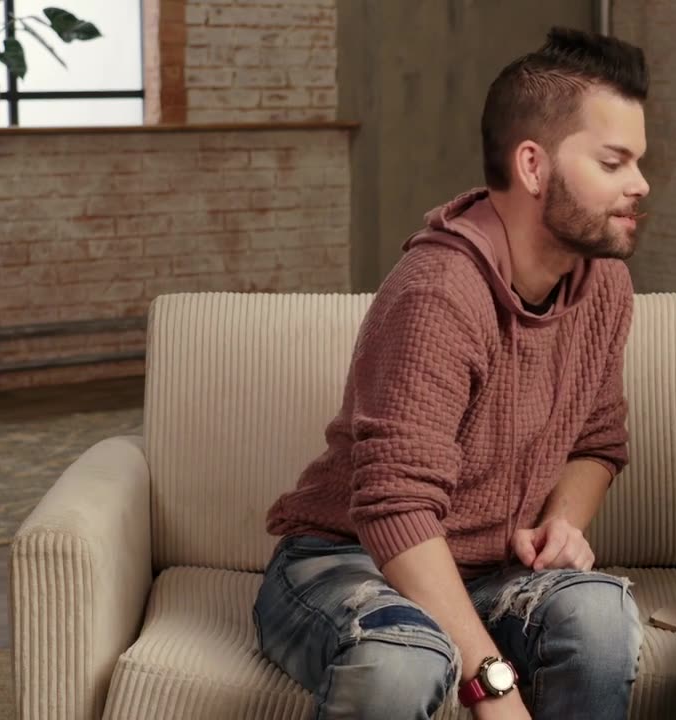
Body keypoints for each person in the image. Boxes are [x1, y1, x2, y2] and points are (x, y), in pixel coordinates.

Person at [253, 27, 650, 720]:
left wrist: (562, 521)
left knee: (600, 621)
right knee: (402, 663)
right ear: (533, 166)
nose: (640, 184)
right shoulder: (439, 291)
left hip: (489, 572)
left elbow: (597, 440)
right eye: (614, 162)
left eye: (639, 162)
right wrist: (494, 690)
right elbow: (395, 507)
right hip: (347, 560)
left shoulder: (603, 284)